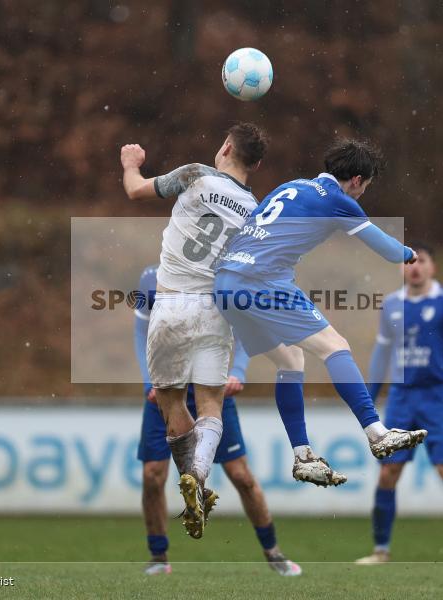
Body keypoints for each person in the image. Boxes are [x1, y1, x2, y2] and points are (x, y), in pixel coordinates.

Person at [213, 138, 427, 488]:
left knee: (291, 360)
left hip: (226, 283)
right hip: (260, 282)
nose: (361, 195)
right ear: (357, 180)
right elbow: (389, 252)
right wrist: (408, 252)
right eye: (365, 187)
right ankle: (377, 433)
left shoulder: (291, 186)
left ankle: (302, 456)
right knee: (334, 345)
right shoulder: (338, 201)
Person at [120, 122, 269, 538]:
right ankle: (199, 475)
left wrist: (130, 163)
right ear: (255, 164)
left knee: (172, 409)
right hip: (215, 312)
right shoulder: (256, 212)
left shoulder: (195, 174)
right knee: (210, 408)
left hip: (170, 305)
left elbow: (135, 190)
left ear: (224, 147)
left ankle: (193, 481)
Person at [133, 265, 301, 577]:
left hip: (210, 390)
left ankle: (273, 552)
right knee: (152, 475)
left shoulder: (224, 278)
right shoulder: (153, 278)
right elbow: (142, 330)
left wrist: (237, 370)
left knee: (241, 476)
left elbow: (242, 327)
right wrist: (149, 382)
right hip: (167, 389)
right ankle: (158, 556)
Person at [355, 242, 443, 566]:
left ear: (432, 267)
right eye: (408, 261)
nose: (414, 267)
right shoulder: (392, 305)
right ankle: (381, 550)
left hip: (437, 398)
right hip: (402, 397)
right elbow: (381, 355)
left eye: (422, 261)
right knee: (388, 473)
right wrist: (368, 399)